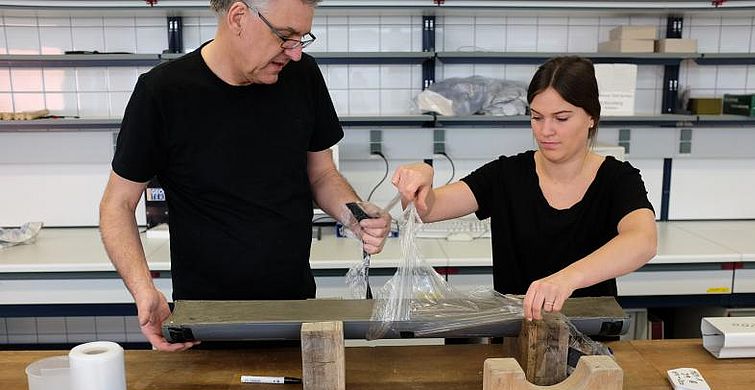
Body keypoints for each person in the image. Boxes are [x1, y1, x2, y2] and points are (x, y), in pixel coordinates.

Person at [99, 0, 391, 352]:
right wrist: (143, 288)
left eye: (302, 39)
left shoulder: (303, 76)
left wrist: (354, 214)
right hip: (206, 322)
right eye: (285, 37)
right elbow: (117, 204)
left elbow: (322, 175)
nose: (295, 53)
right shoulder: (163, 93)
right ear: (239, 17)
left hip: (294, 311)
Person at [392, 56, 657, 322]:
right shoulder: (506, 175)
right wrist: (421, 176)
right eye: (537, 117)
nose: (546, 130)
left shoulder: (617, 178)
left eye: (561, 118)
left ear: (591, 117)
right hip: (518, 340)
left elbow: (643, 241)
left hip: (592, 342)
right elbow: (427, 210)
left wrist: (567, 279)